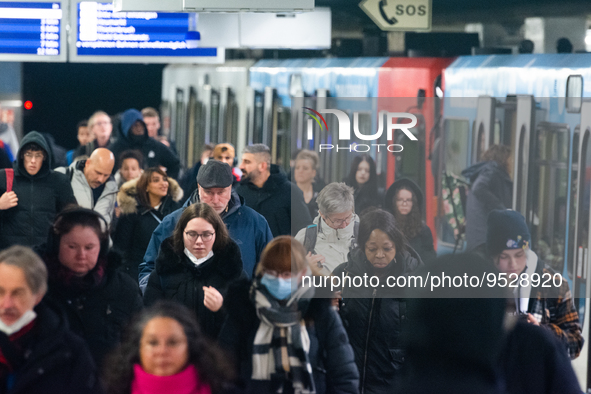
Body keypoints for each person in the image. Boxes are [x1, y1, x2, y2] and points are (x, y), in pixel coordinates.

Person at [218, 236, 359, 393]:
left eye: (286, 274)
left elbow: (344, 374)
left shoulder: (320, 311)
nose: (279, 280)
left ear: (302, 274)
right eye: (272, 273)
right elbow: (223, 369)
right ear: (262, 272)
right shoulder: (244, 309)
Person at [138, 160, 272, 291]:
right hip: (181, 309)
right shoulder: (172, 223)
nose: (215, 200)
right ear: (198, 187)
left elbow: (270, 270)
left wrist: (253, 305)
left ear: (230, 188)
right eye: (208, 192)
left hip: (235, 309)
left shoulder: (255, 223)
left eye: (221, 192)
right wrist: (155, 298)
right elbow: (149, 269)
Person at [36, 207, 143, 367]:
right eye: (72, 247)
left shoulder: (125, 289)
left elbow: (139, 343)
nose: (81, 255)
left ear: (102, 247)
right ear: (55, 245)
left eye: (89, 247)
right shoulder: (36, 286)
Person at [332, 209, 422, 394]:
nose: (379, 255)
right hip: (348, 381)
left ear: (396, 246)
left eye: (387, 248)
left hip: (391, 383)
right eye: (372, 249)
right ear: (362, 246)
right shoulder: (344, 275)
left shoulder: (414, 282)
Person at [0, 246, 102, 394]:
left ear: (38, 295)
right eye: (0, 292)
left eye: (18, 293)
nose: (7, 304)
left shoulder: (71, 353)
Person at [486, 209, 584, 359]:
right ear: (492, 257)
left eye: (519, 255)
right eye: (504, 257)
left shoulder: (554, 285)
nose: (513, 264)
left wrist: (542, 333)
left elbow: (575, 344)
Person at [143, 203, 244, 339]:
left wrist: (222, 308)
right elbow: (149, 319)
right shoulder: (164, 270)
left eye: (206, 235)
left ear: (217, 234)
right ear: (182, 233)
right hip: (176, 353)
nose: (199, 241)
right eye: (192, 234)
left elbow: (245, 324)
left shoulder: (233, 270)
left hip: (218, 355)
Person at [104, 301, 237, 394]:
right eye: (153, 343)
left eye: (173, 342)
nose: (162, 351)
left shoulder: (224, 390)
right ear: (138, 348)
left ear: (191, 346)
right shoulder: (113, 390)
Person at [0, 131, 76, 249]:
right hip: (12, 254)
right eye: (29, 154)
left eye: (38, 155)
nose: (33, 161)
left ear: (45, 157)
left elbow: (72, 218)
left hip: (47, 254)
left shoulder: (59, 181)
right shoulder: (4, 177)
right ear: (21, 155)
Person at [114, 168, 183, 281]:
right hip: (139, 273)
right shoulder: (132, 212)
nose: (163, 183)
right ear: (146, 186)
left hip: (170, 273)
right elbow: (121, 248)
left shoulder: (176, 208)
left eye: (165, 179)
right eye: (156, 180)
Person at [238, 143, 312, 236]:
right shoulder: (239, 192)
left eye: (247, 162)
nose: (241, 166)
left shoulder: (290, 192)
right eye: (242, 161)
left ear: (262, 166)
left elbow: (304, 229)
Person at [295, 182, 359, 274]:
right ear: (322, 214)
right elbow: (286, 278)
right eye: (338, 221)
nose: (344, 225)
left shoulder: (364, 234)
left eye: (348, 217)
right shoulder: (304, 238)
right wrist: (303, 267)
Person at [461, 144, 513, 251]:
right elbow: (478, 188)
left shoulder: (486, 171)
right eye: (510, 160)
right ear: (502, 159)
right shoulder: (492, 170)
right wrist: (500, 208)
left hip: (478, 238)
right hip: (484, 239)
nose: (511, 163)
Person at [57, 148, 118, 228]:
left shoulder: (111, 188)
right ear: (88, 163)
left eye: (106, 175)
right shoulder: (62, 176)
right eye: (98, 172)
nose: (101, 179)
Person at [110, 109, 180, 179]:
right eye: (135, 125)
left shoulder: (153, 145)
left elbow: (174, 164)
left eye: (141, 125)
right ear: (126, 127)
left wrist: (165, 182)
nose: (139, 128)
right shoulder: (115, 148)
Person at [384, 178, 436, 264]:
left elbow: (429, 261)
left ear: (414, 203)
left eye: (408, 200)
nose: (404, 204)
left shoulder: (423, 230)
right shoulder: (385, 227)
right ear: (394, 202)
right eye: (400, 200)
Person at [293, 149, 322, 219]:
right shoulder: (288, 194)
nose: (300, 171)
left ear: (313, 173)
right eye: (297, 168)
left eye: (305, 168)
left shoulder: (320, 197)